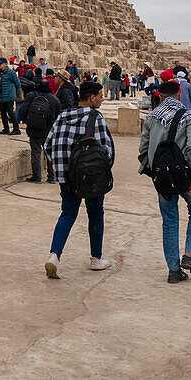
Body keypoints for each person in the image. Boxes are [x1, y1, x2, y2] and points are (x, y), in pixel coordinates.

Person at [44, 82, 114, 278]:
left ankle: (54, 256)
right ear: (91, 97)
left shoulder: (62, 116)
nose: (102, 99)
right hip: (90, 177)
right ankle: (96, 259)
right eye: (100, 96)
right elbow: (107, 149)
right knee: (96, 213)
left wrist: (62, 168)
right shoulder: (95, 117)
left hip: (66, 176)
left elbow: (48, 145)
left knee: (67, 214)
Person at [139, 80, 191, 284]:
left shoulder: (152, 117)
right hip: (185, 175)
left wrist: (153, 171)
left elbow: (143, 148)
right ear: (179, 95)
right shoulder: (190, 117)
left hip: (161, 176)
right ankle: (189, 255)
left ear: (159, 96)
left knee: (169, 220)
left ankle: (174, 271)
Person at [24, 78, 61, 183]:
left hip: (34, 130)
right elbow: (59, 116)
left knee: (36, 153)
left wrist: (29, 122)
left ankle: (37, 177)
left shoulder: (31, 96)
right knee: (49, 153)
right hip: (49, 131)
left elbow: (23, 112)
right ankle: (52, 177)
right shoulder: (54, 99)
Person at [0, 58, 21, 135]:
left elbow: (18, 84)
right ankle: (6, 128)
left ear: (6, 64)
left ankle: (16, 129)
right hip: (2, 95)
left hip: (9, 96)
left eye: (1, 63)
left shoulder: (11, 72)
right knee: (3, 113)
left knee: (10, 113)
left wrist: (14, 93)